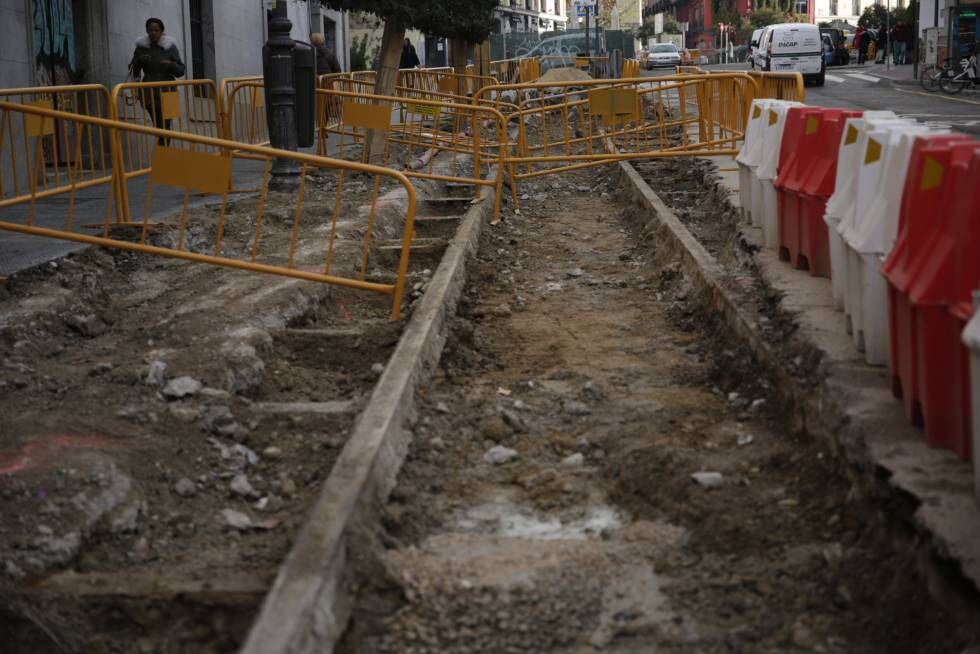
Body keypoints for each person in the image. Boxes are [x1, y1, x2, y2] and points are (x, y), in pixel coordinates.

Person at [128, 18, 185, 144]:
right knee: (160, 128)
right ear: (147, 31)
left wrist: (171, 65)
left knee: (166, 128)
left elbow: (181, 71)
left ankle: (163, 159)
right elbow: (134, 71)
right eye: (150, 30)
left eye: (156, 30)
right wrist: (139, 61)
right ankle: (163, 158)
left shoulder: (170, 47)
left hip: (168, 90)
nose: (153, 33)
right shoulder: (141, 48)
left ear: (161, 32)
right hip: (149, 92)